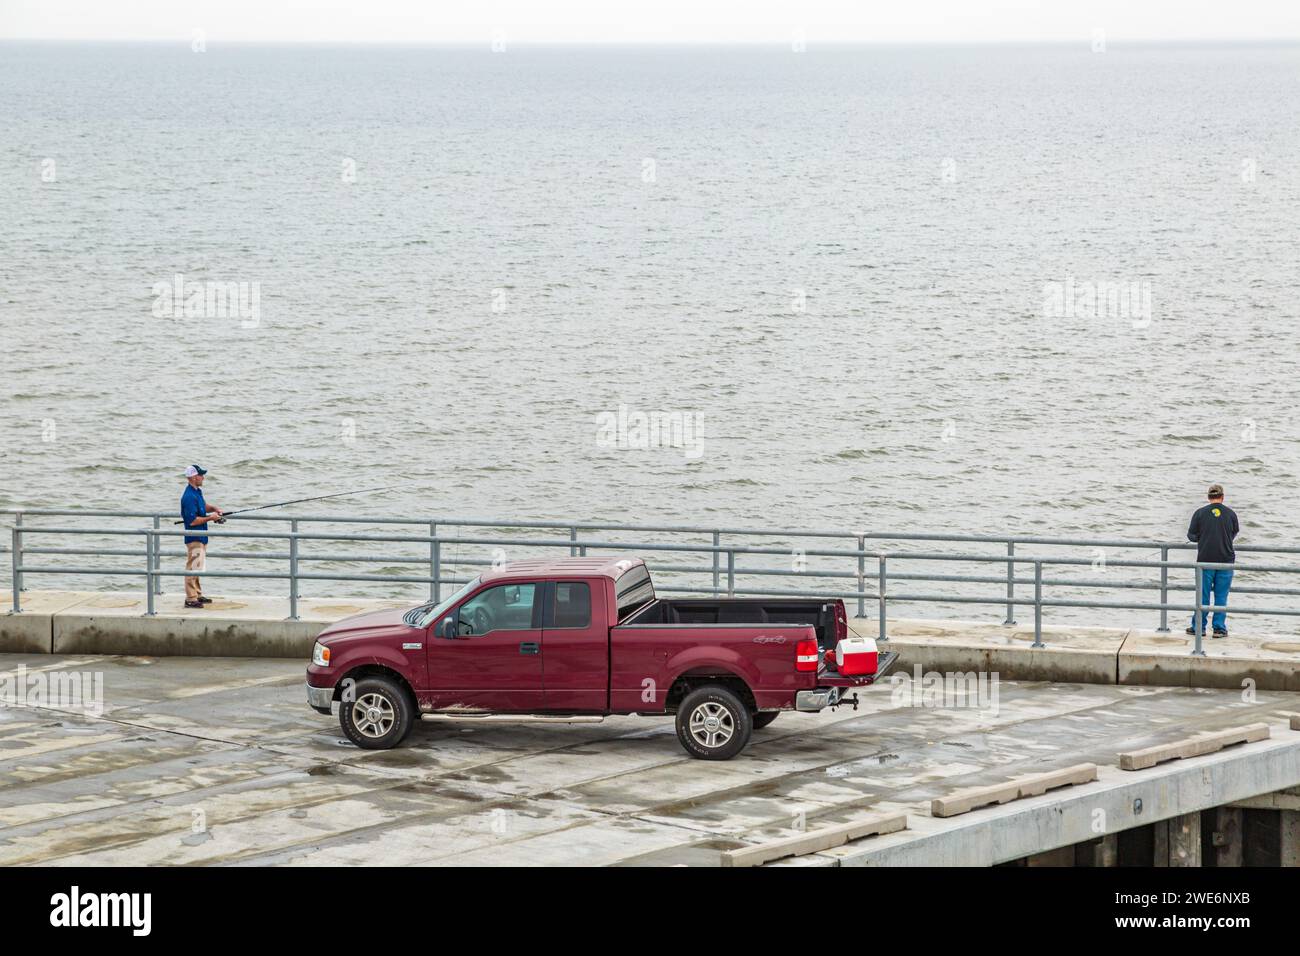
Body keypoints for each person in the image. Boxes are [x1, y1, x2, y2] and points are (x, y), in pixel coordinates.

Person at [1185, 483, 1239, 638]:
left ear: (1209, 497)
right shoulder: (1231, 514)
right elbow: (1234, 532)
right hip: (1226, 560)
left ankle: (1199, 628)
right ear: (1222, 497)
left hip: (1205, 560)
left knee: (1203, 596)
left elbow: (1191, 536)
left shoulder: (1200, 513)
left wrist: (1201, 537)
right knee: (1221, 596)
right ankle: (1219, 629)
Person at [180, 465, 224, 609]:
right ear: (193, 477)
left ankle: (197, 594)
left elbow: (203, 506)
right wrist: (210, 518)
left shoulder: (197, 492)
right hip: (194, 537)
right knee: (192, 567)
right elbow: (192, 521)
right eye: (201, 475)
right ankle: (190, 598)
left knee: (198, 566)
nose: (203, 477)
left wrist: (214, 509)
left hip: (202, 535)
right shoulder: (188, 497)